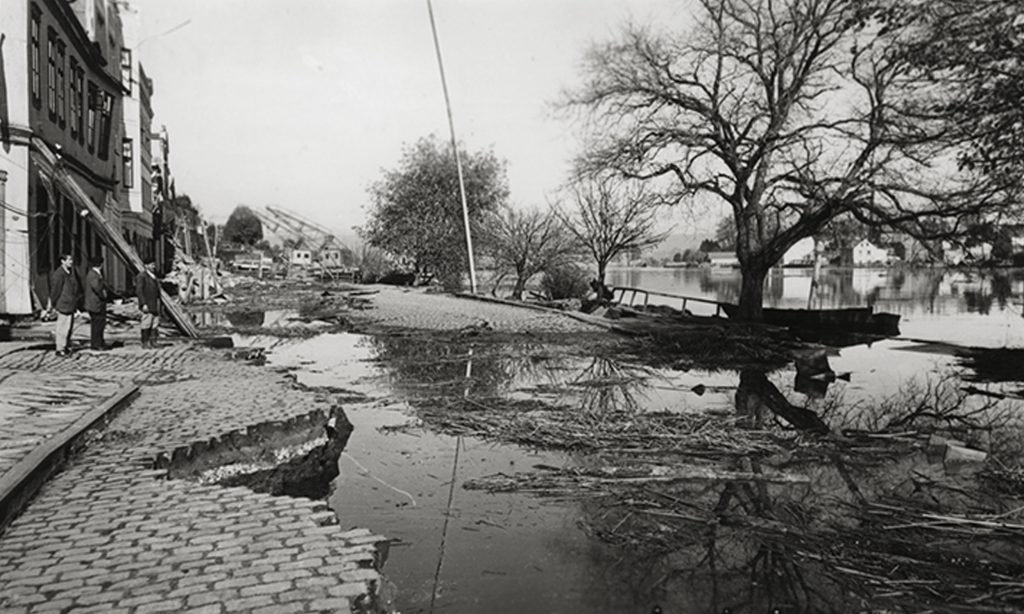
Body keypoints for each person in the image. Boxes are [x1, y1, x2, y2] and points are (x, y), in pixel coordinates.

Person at [48, 253, 80, 356]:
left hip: (70, 304)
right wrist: (53, 303)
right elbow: (55, 290)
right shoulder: (59, 274)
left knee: (68, 328)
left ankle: (65, 346)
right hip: (63, 304)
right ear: (63, 261)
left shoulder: (70, 272)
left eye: (71, 260)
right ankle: (60, 348)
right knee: (62, 328)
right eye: (69, 260)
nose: (71, 262)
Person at [83, 255, 109, 350]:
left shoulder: (94, 273)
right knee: (97, 325)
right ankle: (96, 344)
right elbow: (97, 288)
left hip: (97, 303)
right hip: (95, 304)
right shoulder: (93, 274)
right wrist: (105, 295)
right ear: (101, 264)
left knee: (100, 324)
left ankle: (99, 342)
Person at [136, 258, 160, 348]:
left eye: (154, 264)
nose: (153, 266)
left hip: (154, 303)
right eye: (151, 265)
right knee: (146, 323)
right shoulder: (142, 276)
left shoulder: (154, 276)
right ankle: (145, 342)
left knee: (155, 323)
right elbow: (139, 291)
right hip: (147, 303)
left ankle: (153, 341)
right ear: (146, 266)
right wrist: (143, 303)